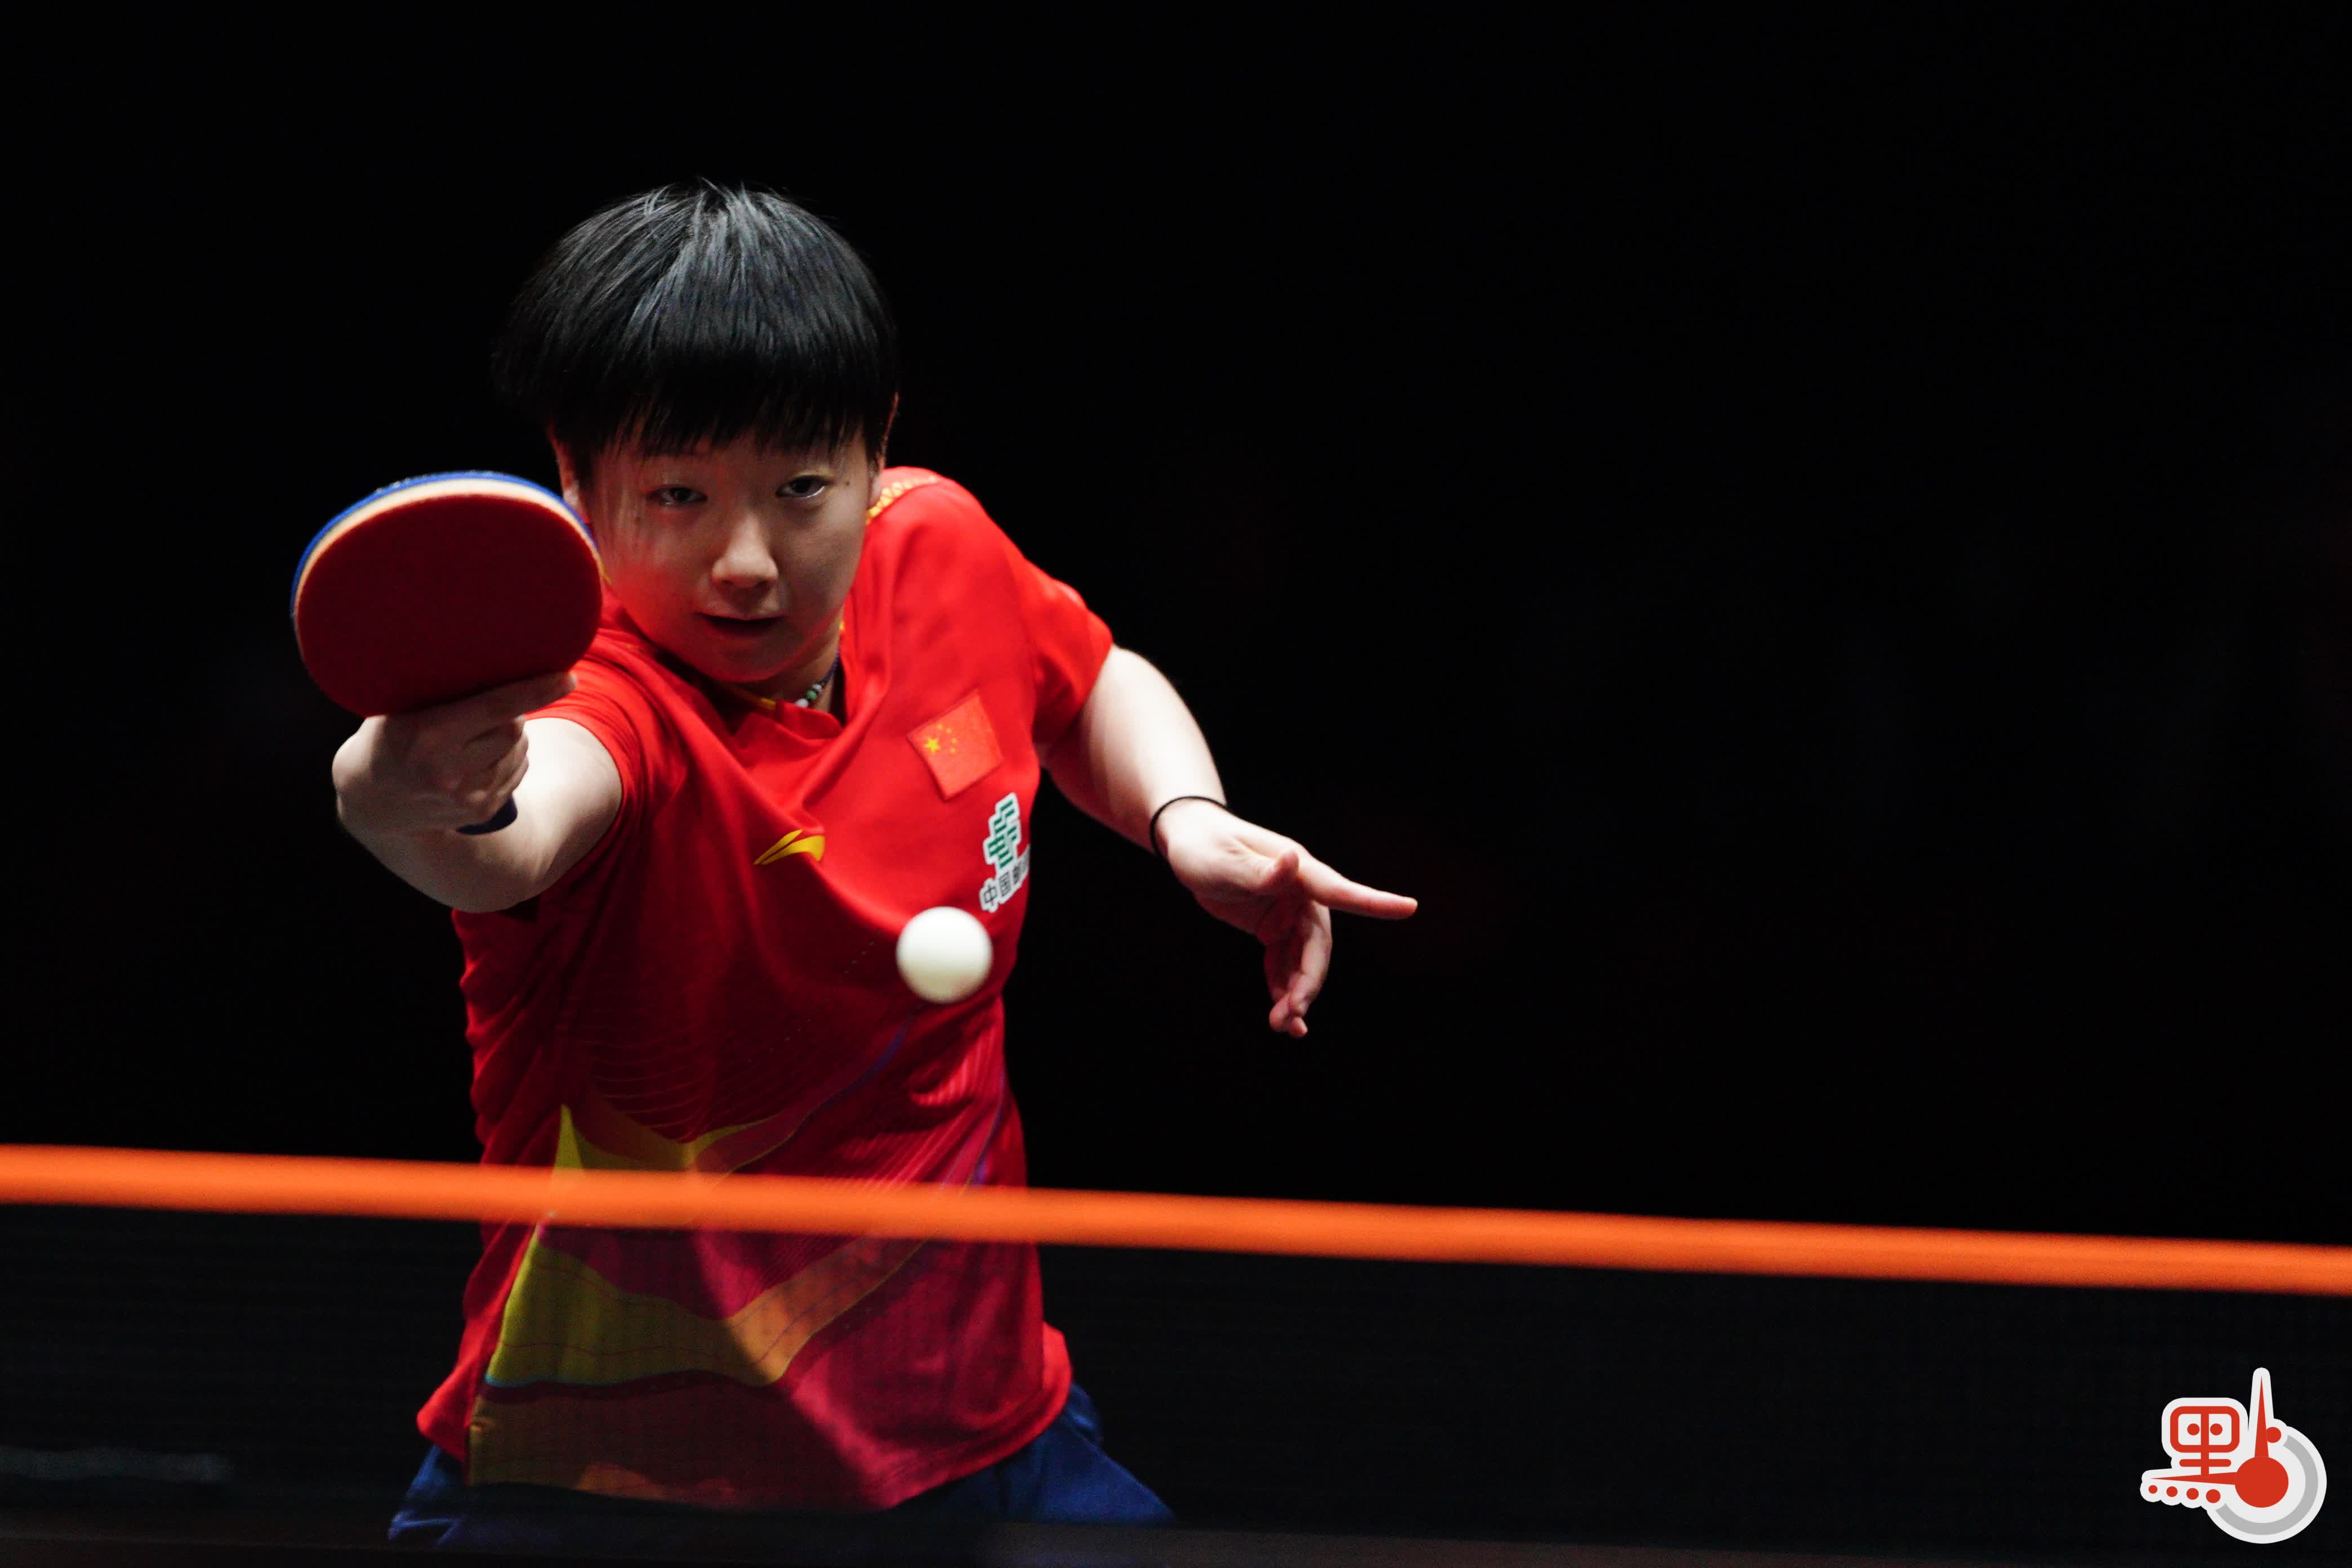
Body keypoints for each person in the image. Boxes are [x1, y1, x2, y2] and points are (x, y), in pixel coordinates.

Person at [331, 181, 1416, 1548]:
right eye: (677, 496)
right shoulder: (606, 704)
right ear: (578, 477)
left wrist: (1183, 817)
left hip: (974, 1430)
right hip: (613, 1486)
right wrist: (392, 791)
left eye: (801, 489)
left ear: (877, 445)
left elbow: (1088, 679)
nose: (746, 562)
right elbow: (511, 834)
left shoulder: (937, 545)